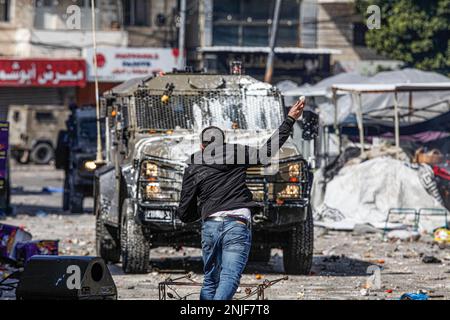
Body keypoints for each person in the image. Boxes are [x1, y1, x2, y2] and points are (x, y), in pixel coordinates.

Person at [176, 98, 305, 300]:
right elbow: (266, 153)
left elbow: (184, 210)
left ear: (202, 146)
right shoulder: (236, 152)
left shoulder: (194, 164)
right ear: (223, 143)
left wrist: (200, 212)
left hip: (210, 225)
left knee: (211, 279)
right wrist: (289, 119)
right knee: (229, 277)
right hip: (237, 224)